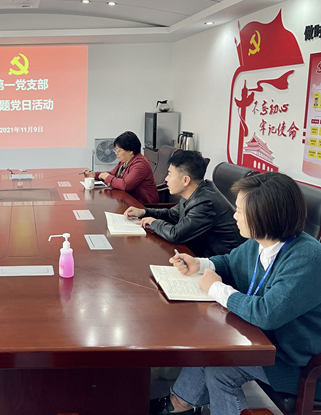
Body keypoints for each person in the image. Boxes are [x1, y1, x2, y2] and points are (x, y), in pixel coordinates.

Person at [151, 172, 321, 415]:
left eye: (240, 211)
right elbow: (231, 262)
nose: (234, 216)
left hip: (296, 361)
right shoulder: (261, 241)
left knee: (218, 364)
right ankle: (179, 404)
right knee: (212, 356)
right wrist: (200, 264)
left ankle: (180, 405)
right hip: (263, 343)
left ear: (264, 216)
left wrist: (216, 288)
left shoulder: (307, 257)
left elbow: (266, 314)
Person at [124, 151, 244, 257]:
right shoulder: (195, 192)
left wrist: (153, 222)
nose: (166, 179)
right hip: (199, 251)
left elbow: (176, 235)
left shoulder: (205, 203)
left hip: (219, 262)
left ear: (185, 180)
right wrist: (144, 212)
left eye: (169, 174)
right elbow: (172, 214)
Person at [84, 131, 158, 204]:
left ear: (131, 151)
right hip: (127, 201)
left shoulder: (140, 165)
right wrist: (95, 174)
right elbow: (112, 174)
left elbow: (125, 185)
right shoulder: (125, 161)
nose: (116, 154)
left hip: (142, 206)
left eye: (119, 151)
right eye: (115, 150)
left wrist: (107, 177)